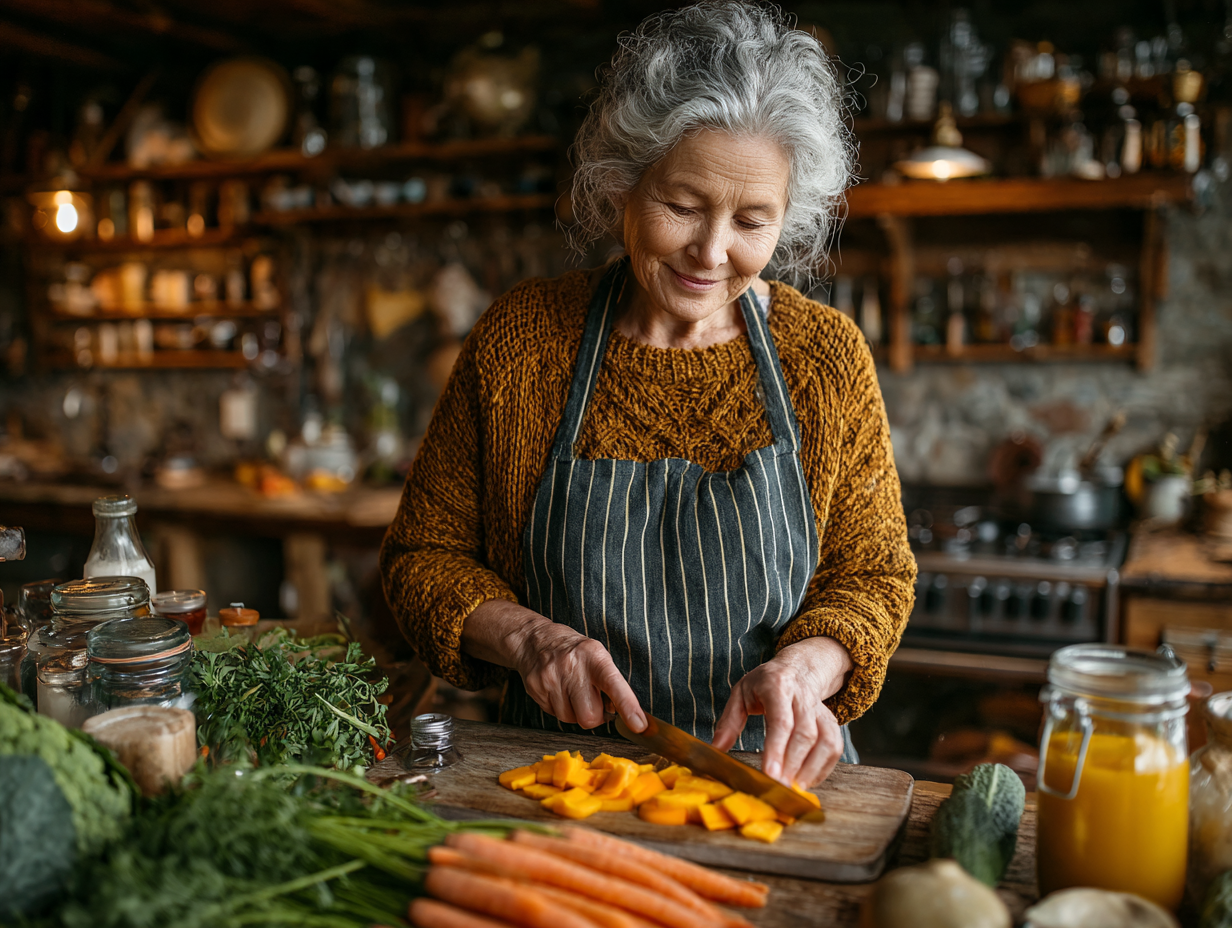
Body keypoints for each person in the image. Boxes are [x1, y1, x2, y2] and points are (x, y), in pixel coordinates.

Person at [380, 0, 916, 788]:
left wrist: (808, 666)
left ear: (788, 220)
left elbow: (874, 575)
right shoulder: (523, 343)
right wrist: (532, 641)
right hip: (558, 780)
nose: (711, 251)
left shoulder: (825, 358)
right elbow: (421, 558)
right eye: (683, 206)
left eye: (752, 220)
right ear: (621, 185)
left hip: (766, 781)